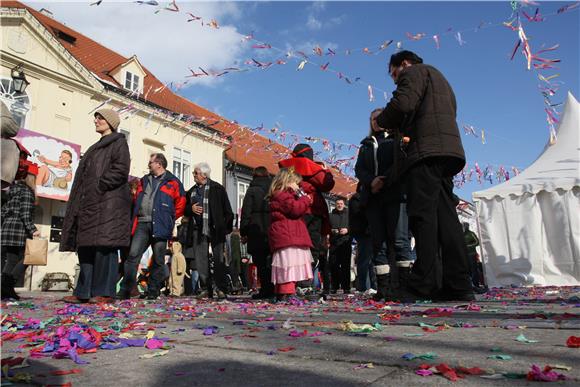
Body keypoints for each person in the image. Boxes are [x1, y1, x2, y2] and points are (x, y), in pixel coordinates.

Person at [374, 50, 474, 302]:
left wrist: (384, 120)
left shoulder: (414, 72)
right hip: (447, 151)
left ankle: (423, 282)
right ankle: (458, 283)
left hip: (425, 153)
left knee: (423, 216)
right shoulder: (441, 79)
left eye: (394, 73)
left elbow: (403, 103)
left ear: (404, 64)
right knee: (446, 218)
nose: (395, 80)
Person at [60, 109, 132, 304]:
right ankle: (83, 291)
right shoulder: (95, 147)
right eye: (96, 117)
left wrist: (99, 186)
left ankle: (105, 292)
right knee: (86, 248)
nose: (96, 120)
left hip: (108, 205)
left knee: (104, 248)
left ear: (111, 122)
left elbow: (120, 170)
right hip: (90, 204)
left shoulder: (119, 143)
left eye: (101, 118)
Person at [357, 109, 413, 301]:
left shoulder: (397, 139)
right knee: (377, 244)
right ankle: (384, 289)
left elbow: (401, 163)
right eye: (372, 119)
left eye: (379, 118)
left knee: (400, 241)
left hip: (395, 194)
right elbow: (359, 169)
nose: (376, 122)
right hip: (373, 198)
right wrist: (371, 181)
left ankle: (404, 287)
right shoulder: (365, 145)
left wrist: (384, 180)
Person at [118, 153, 185, 300]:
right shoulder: (144, 180)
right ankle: (126, 289)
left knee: (158, 259)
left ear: (159, 164)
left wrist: (169, 218)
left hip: (161, 225)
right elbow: (136, 198)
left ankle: (153, 290)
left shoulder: (173, 182)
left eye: (151, 162)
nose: (149, 164)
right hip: (142, 223)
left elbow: (181, 203)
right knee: (132, 256)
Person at [279, 144, 334, 296]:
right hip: (312, 211)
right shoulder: (310, 166)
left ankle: (293, 283)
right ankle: (304, 283)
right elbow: (327, 183)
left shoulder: (287, 167)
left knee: (297, 247)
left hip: (296, 211)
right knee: (312, 248)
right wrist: (325, 170)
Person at [183, 162, 234, 299]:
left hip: (215, 228)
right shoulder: (192, 191)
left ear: (204, 175)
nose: (194, 175)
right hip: (197, 229)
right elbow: (185, 210)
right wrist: (191, 209)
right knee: (200, 260)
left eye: (196, 173)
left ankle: (220, 288)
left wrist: (225, 228)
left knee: (218, 260)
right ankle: (205, 287)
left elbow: (228, 211)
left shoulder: (217, 188)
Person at [267, 168, 313, 301]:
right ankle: (287, 292)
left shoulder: (280, 195)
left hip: (287, 233)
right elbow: (296, 209)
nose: (298, 186)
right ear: (288, 181)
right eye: (296, 183)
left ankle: (284, 292)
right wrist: (302, 195)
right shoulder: (282, 195)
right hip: (288, 234)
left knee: (287, 264)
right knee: (289, 264)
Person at [1, 161, 40, 300]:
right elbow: (25, 214)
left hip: (7, 228)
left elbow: (3, 211)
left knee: (11, 259)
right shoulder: (27, 192)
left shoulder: (13, 191)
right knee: (28, 258)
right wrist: (33, 229)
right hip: (18, 230)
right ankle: (8, 283)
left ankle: (5, 288)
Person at [240, 166, 274, 300]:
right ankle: (275, 288)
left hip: (256, 229)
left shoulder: (252, 190)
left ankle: (265, 289)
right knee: (272, 260)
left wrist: (244, 231)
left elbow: (246, 212)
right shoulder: (273, 189)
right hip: (272, 228)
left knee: (260, 262)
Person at [348, 187, 375, 293]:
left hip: (368, 232)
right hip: (364, 232)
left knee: (370, 260)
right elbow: (359, 215)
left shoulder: (360, 198)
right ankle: (364, 286)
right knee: (365, 260)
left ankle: (371, 286)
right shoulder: (356, 199)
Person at [329, 198, 351, 294]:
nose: (339, 205)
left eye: (341, 203)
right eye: (337, 203)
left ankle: (346, 287)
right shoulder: (331, 215)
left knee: (346, 266)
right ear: (335, 204)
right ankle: (335, 286)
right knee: (334, 266)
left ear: (344, 204)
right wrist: (332, 231)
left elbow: (353, 226)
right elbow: (327, 228)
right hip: (334, 243)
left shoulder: (349, 215)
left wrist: (347, 230)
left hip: (345, 243)